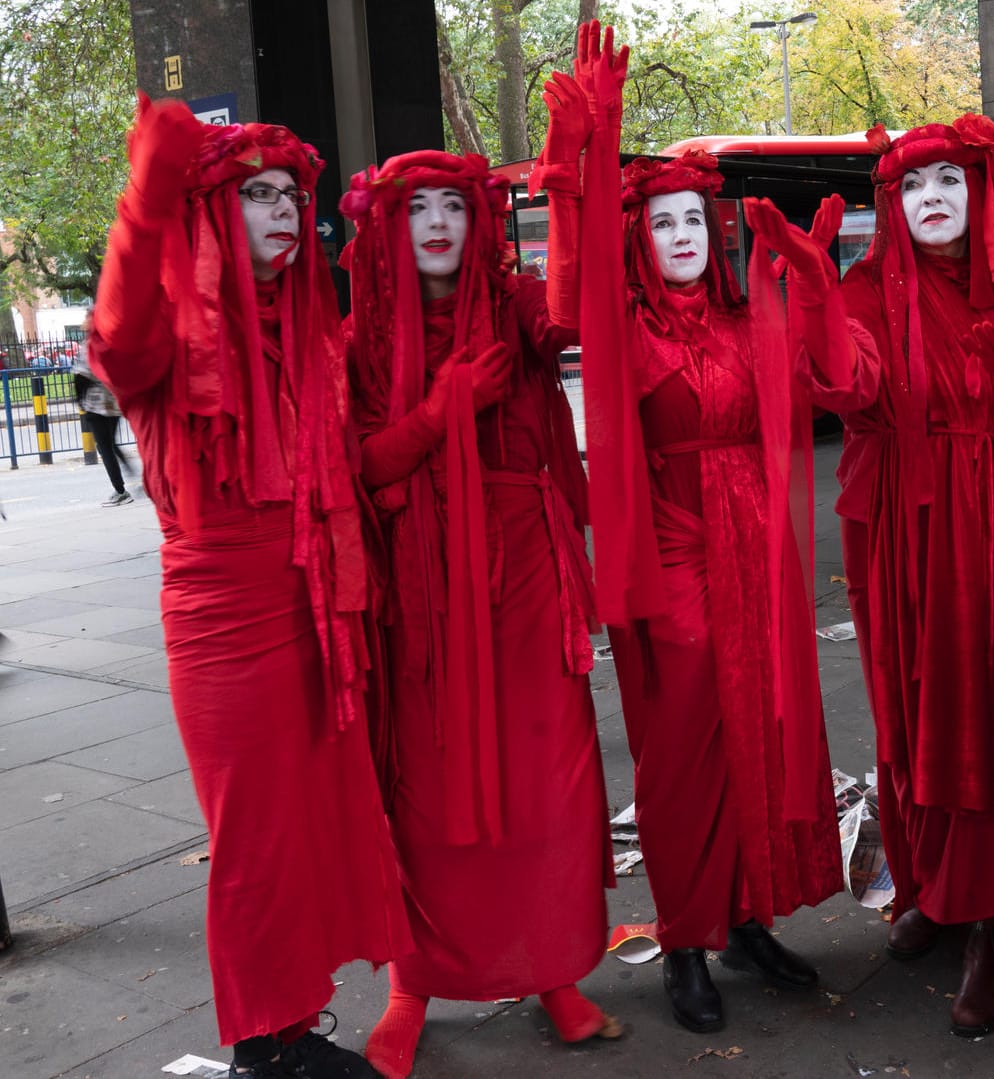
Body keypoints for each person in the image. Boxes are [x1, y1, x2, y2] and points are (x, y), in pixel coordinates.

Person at [549, 22, 861, 1034]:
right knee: (682, 754)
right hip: (673, 558)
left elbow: (832, 380)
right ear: (638, 239)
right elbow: (577, 283)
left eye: (696, 218)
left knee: (757, 744)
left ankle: (745, 917)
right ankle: (685, 935)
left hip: (755, 553)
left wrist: (813, 283)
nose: (684, 233)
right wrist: (593, 144)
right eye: (664, 222)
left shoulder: (745, 319)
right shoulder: (623, 331)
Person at [88, 98, 408, 1078]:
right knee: (255, 841)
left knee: (309, 825)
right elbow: (115, 330)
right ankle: (262, 1046)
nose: (281, 211)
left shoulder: (310, 331)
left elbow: (357, 462)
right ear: (209, 209)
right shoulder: (169, 341)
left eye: (287, 195)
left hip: (315, 607)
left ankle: (294, 1019)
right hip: (225, 621)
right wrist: (147, 197)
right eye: (254, 194)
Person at [338, 145, 617, 1076]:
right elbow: (365, 465)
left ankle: (552, 969)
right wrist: (441, 410)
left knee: (552, 776)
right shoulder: (362, 336)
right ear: (390, 221)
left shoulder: (518, 302)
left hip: (528, 567)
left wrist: (582, 171)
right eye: (418, 208)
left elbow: (578, 321)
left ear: (481, 220)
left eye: (454, 206)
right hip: (419, 580)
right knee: (425, 779)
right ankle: (412, 984)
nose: (438, 224)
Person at [826, 115, 994, 1037]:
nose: (933, 201)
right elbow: (845, 386)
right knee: (909, 706)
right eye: (913, 188)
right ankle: (932, 886)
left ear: (980, 197)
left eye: (950, 184)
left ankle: (988, 925)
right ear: (892, 207)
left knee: (988, 713)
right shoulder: (859, 290)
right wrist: (813, 297)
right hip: (903, 531)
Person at [70, 319, 137, 505]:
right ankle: (132, 474)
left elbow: (81, 375)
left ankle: (120, 490)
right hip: (113, 402)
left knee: (104, 447)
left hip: (94, 403)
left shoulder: (89, 347)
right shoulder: (113, 345)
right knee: (112, 443)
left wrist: (78, 400)